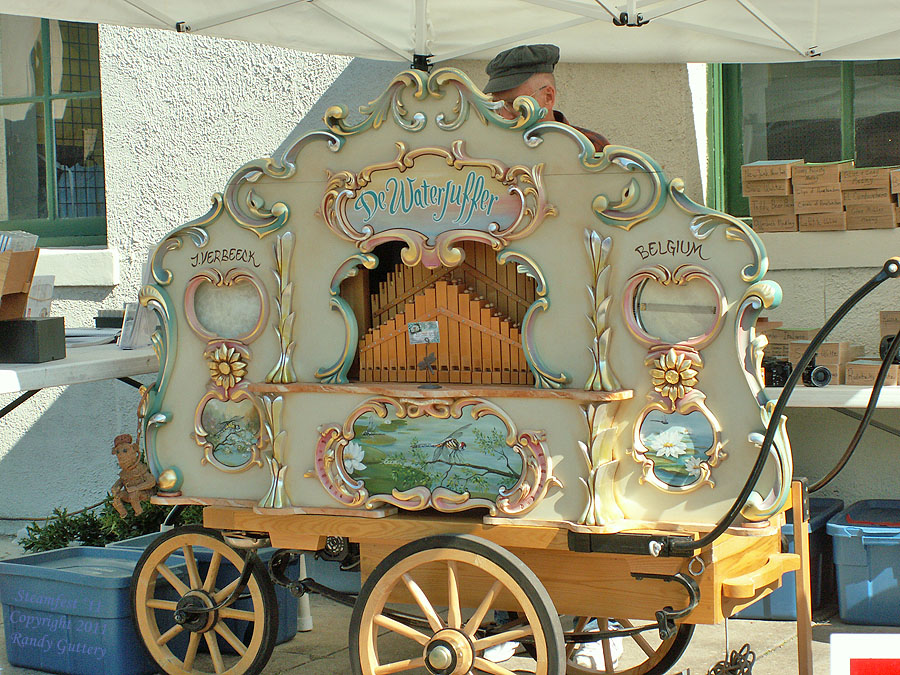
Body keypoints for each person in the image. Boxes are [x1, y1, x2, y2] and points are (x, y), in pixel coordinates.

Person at [483, 43, 610, 153]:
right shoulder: (487, 147)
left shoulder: (591, 146)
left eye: (514, 104)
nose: (504, 116)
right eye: (496, 105)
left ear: (548, 97)